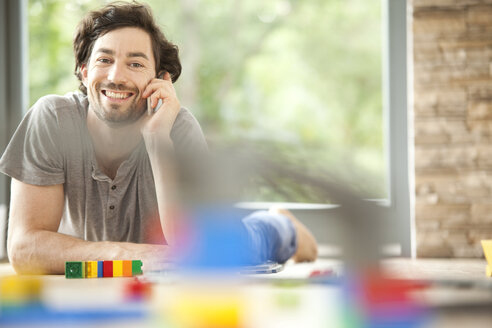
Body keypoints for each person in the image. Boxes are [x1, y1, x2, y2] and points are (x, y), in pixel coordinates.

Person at [0, 2, 317, 274]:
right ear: (84, 71)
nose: (116, 76)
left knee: (249, 244)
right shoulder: (52, 119)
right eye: (104, 60)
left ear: (159, 79)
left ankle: (281, 224)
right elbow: (25, 250)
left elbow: (192, 247)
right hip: (121, 264)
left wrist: (157, 138)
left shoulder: (177, 127)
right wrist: (129, 255)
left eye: (135, 64)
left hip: (206, 244)